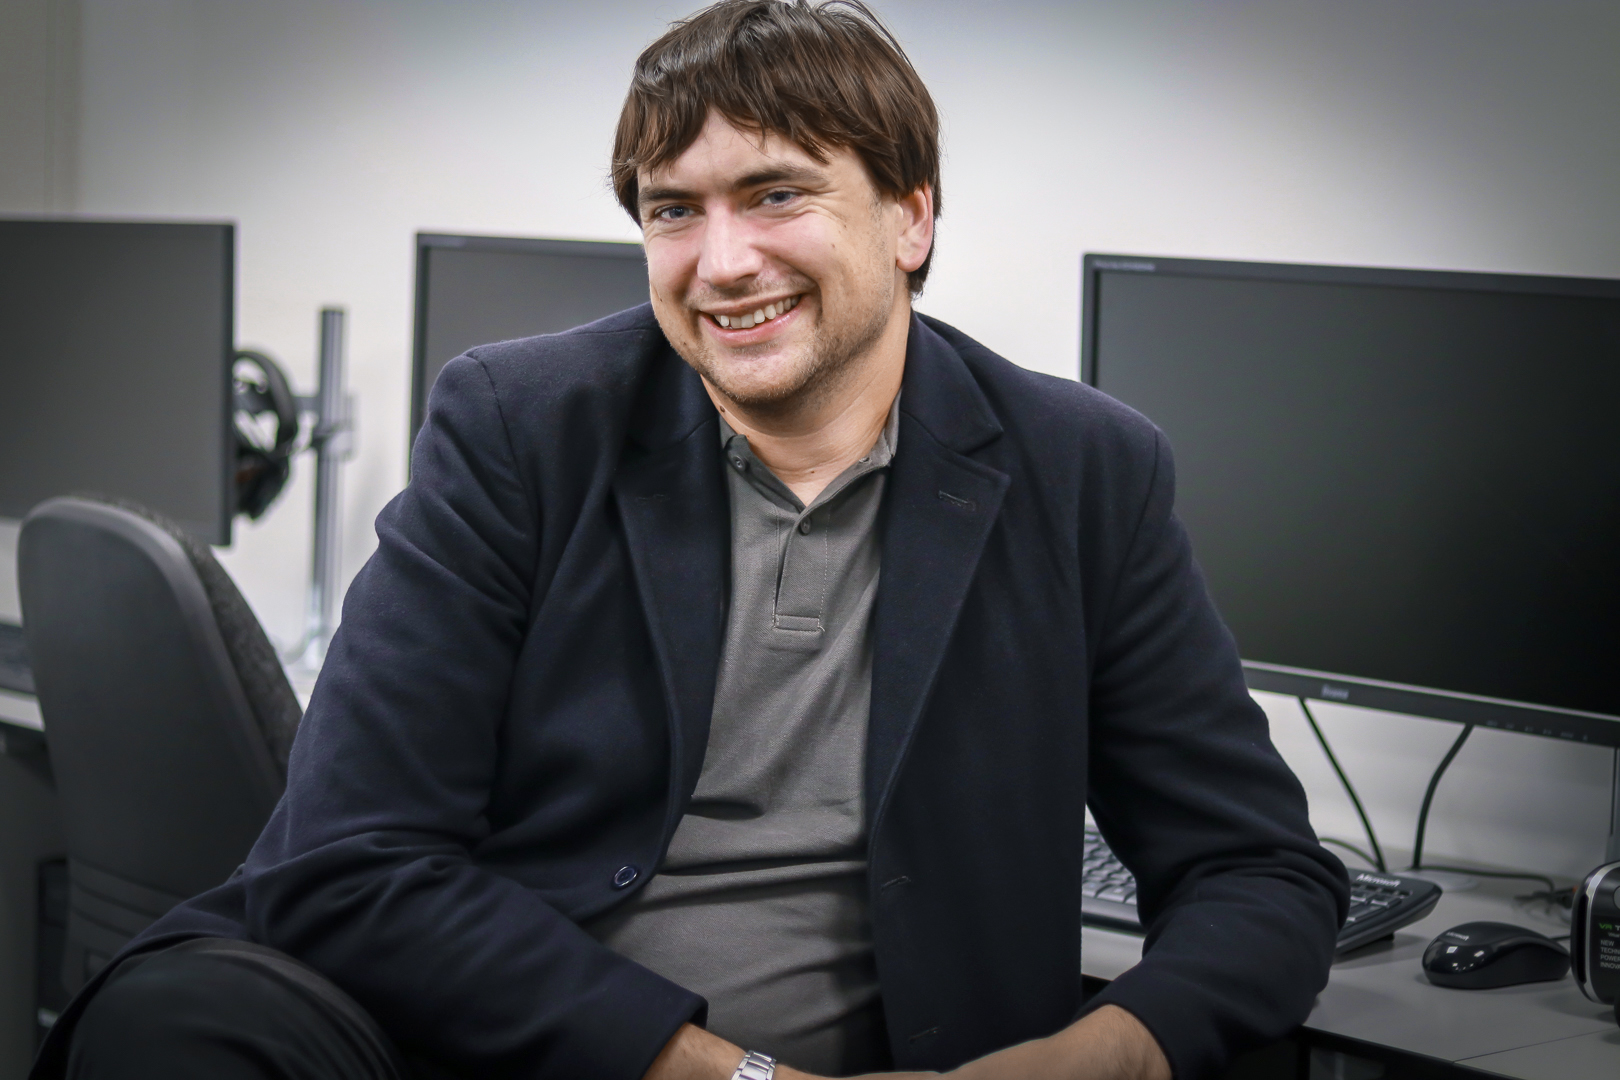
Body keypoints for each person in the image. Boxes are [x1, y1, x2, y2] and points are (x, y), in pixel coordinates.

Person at [37, 2, 1348, 1079]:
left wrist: (1105, 1053)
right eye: (674, 210)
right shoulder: (522, 425)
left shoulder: (1082, 469)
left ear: (912, 217)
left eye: (776, 194)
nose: (720, 261)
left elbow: (1259, 871)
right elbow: (347, 857)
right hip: (531, 1050)